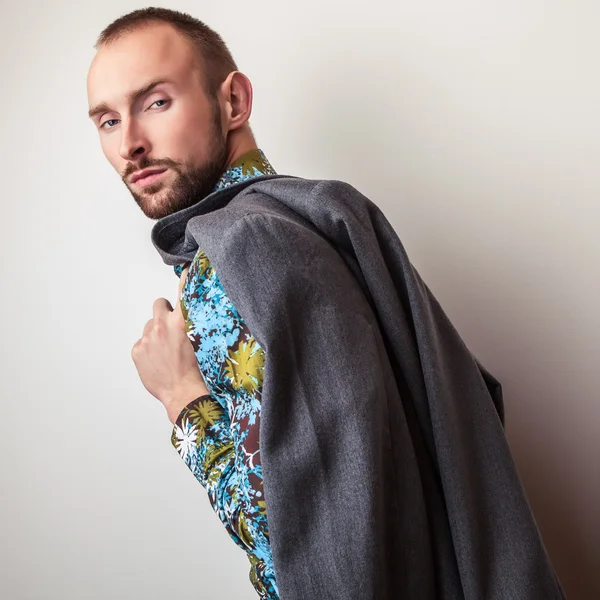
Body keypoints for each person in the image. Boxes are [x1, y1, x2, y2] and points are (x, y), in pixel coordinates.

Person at [86, 7, 567, 600]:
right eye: (107, 121)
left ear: (233, 101)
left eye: (156, 102)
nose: (130, 144)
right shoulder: (313, 222)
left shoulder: (240, 247)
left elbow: (300, 548)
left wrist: (180, 397)